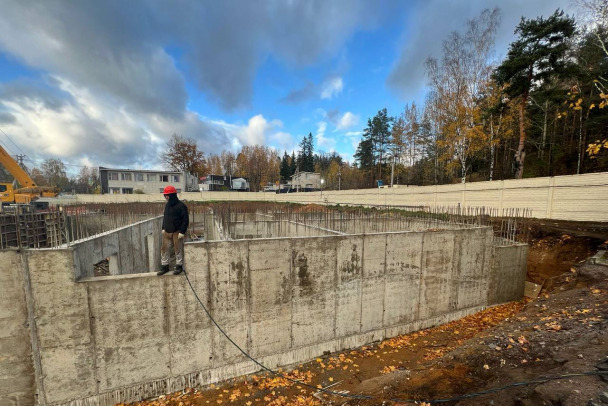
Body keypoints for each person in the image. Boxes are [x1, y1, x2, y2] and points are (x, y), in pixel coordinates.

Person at [158, 185, 189, 275]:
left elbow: (185, 219)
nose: (166, 197)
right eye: (165, 195)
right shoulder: (167, 206)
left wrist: (182, 231)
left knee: (177, 249)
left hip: (177, 232)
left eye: (167, 195)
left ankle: (179, 265)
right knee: (164, 249)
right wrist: (163, 228)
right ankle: (165, 266)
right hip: (167, 232)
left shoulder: (181, 206)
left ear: (172, 195)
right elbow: (165, 217)